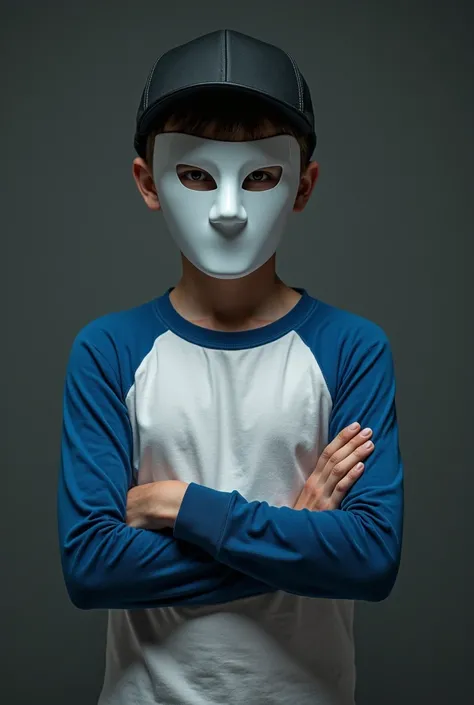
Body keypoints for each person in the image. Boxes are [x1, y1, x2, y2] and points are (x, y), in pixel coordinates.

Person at [57, 29, 404, 705]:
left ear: (302, 187)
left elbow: (370, 557)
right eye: (194, 173)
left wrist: (184, 506)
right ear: (146, 181)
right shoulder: (108, 351)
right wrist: (297, 535)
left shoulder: (352, 349)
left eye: (262, 176)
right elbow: (92, 567)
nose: (226, 209)